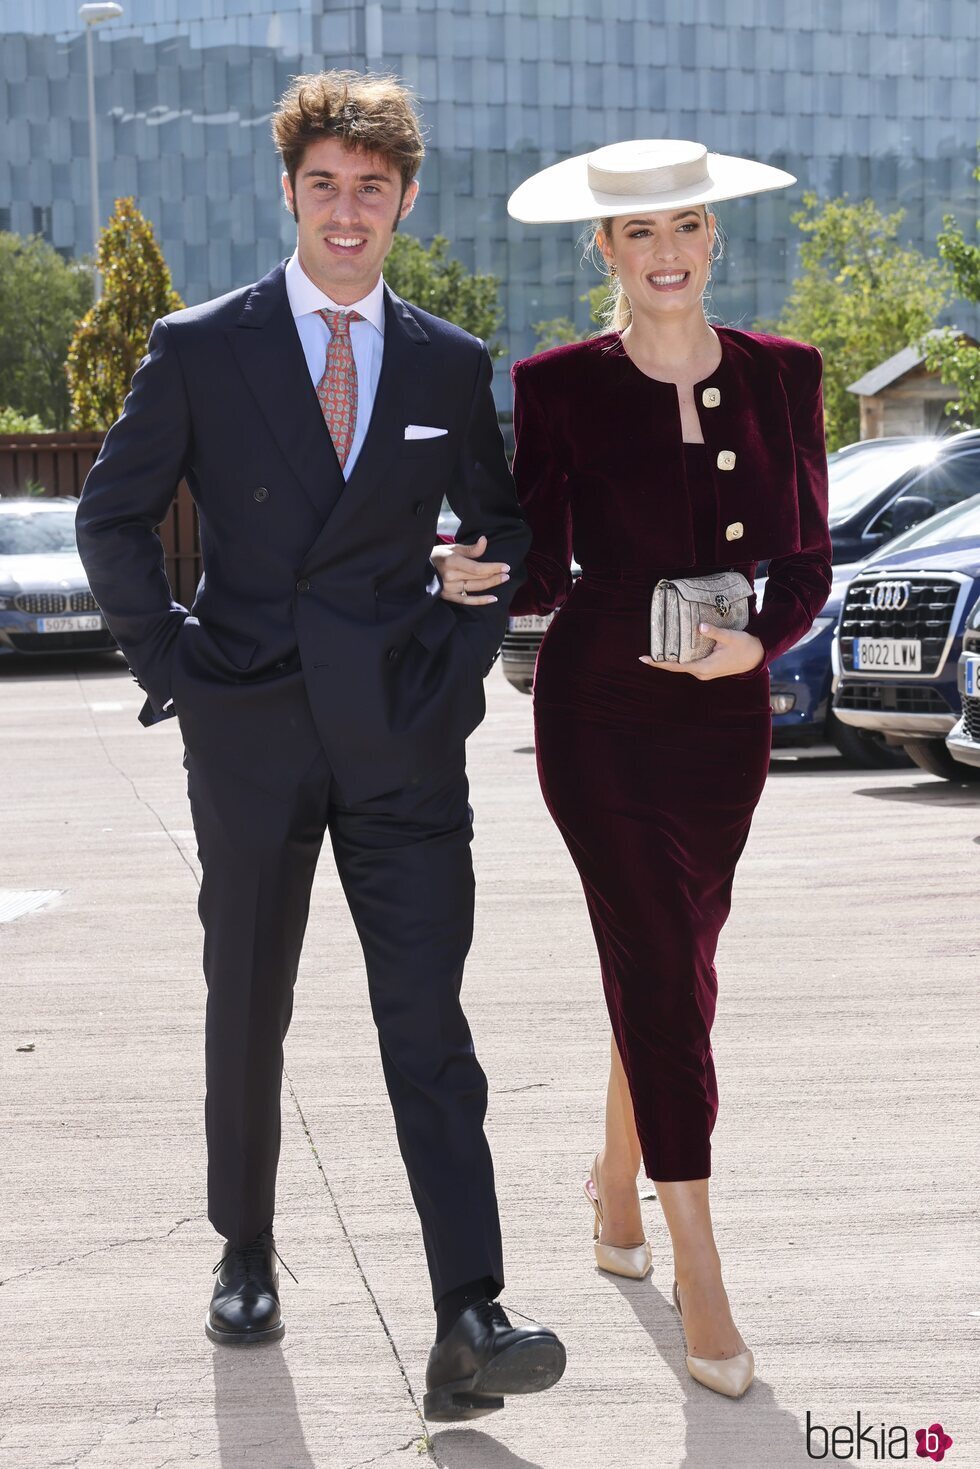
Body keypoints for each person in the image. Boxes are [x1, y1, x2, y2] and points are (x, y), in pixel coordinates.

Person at [75, 70, 565, 1423]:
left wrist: (461, 653)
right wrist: (173, 663)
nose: (347, 213)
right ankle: (244, 1250)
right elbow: (111, 518)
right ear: (289, 191)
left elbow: (501, 533)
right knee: (250, 999)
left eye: (372, 189)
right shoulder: (200, 345)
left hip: (404, 740)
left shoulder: (448, 364)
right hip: (251, 732)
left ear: (405, 200)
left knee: (428, 1022)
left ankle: (471, 1308)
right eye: (323, 186)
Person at [441, 139, 831, 1399]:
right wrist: (462, 559)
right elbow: (541, 564)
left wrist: (755, 649)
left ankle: (615, 1185)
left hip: (724, 723)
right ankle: (695, 1256)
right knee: (662, 963)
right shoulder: (556, 385)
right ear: (602, 252)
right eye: (636, 234)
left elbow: (809, 561)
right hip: (599, 706)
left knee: (676, 959)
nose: (664, 252)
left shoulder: (787, 374)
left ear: (710, 237)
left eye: (683, 227)